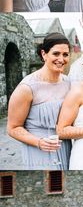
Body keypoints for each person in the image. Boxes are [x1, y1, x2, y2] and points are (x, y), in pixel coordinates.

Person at [7, 32, 71, 170]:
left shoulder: (69, 83)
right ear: (44, 54)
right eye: (56, 54)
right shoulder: (27, 88)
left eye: (65, 54)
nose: (61, 59)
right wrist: (39, 142)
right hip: (39, 151)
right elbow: (13, 128)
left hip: (65, 148)